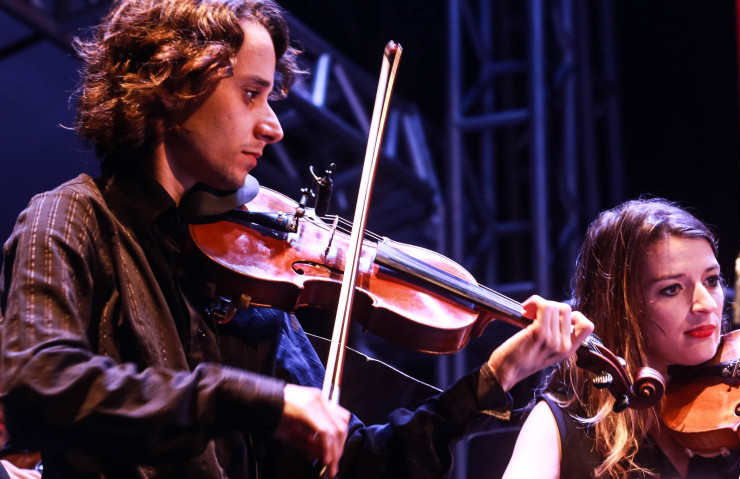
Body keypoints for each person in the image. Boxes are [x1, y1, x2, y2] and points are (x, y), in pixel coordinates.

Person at [0, 0, 594, 477]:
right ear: (174, 84)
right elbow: (36, 381)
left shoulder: (246, 267)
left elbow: (354, 461)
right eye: (251, 93)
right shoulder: (73, 218)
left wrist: (497, 378)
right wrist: (250, 398)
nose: (275, 126)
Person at [502, 198, 740, 479]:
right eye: (671, 289)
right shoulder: (562, 425)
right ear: (622, 307)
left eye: (712, 280)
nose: (706, 304)